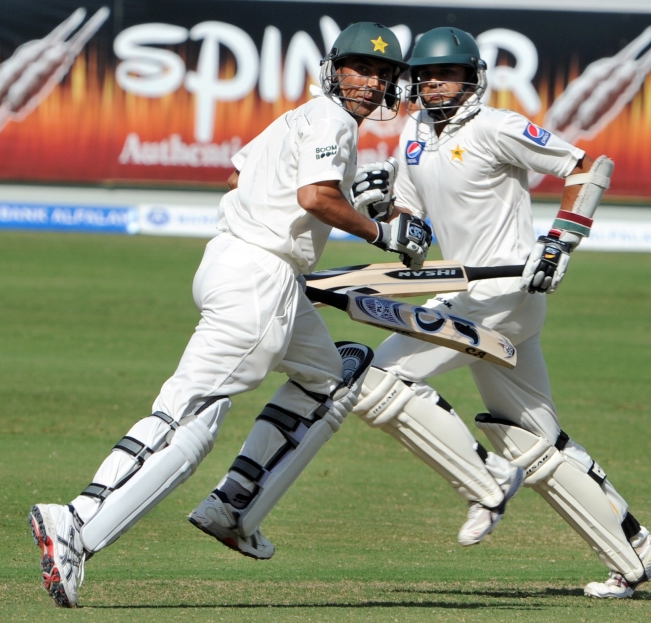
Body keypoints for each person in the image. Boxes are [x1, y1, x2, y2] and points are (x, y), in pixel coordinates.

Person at [28, 22, 431, 608]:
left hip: (242, 267)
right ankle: (76, 522)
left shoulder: (298, 118)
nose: (370, 83)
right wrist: (383, 230)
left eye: (381, 74)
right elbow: (314, 197)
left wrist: (311, 227)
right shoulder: (333, 121)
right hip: (258, 281)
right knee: (189, 419)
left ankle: (235, 506)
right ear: (334, 70)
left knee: (333, 376)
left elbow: (238, 177)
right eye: (359, 69)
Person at [350, 27, 651, 599]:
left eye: (446, 74)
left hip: (504, 294)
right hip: (465, 291)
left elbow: (585, 167)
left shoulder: (498, 126)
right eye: (424, 75)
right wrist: (382, 210)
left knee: (380, 381)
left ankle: (485, 480)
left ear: (472, 78)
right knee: (535, 439)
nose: (433, 84)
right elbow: (418, 233)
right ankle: (636, 549)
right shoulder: (415, 134)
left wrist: (560, 242)